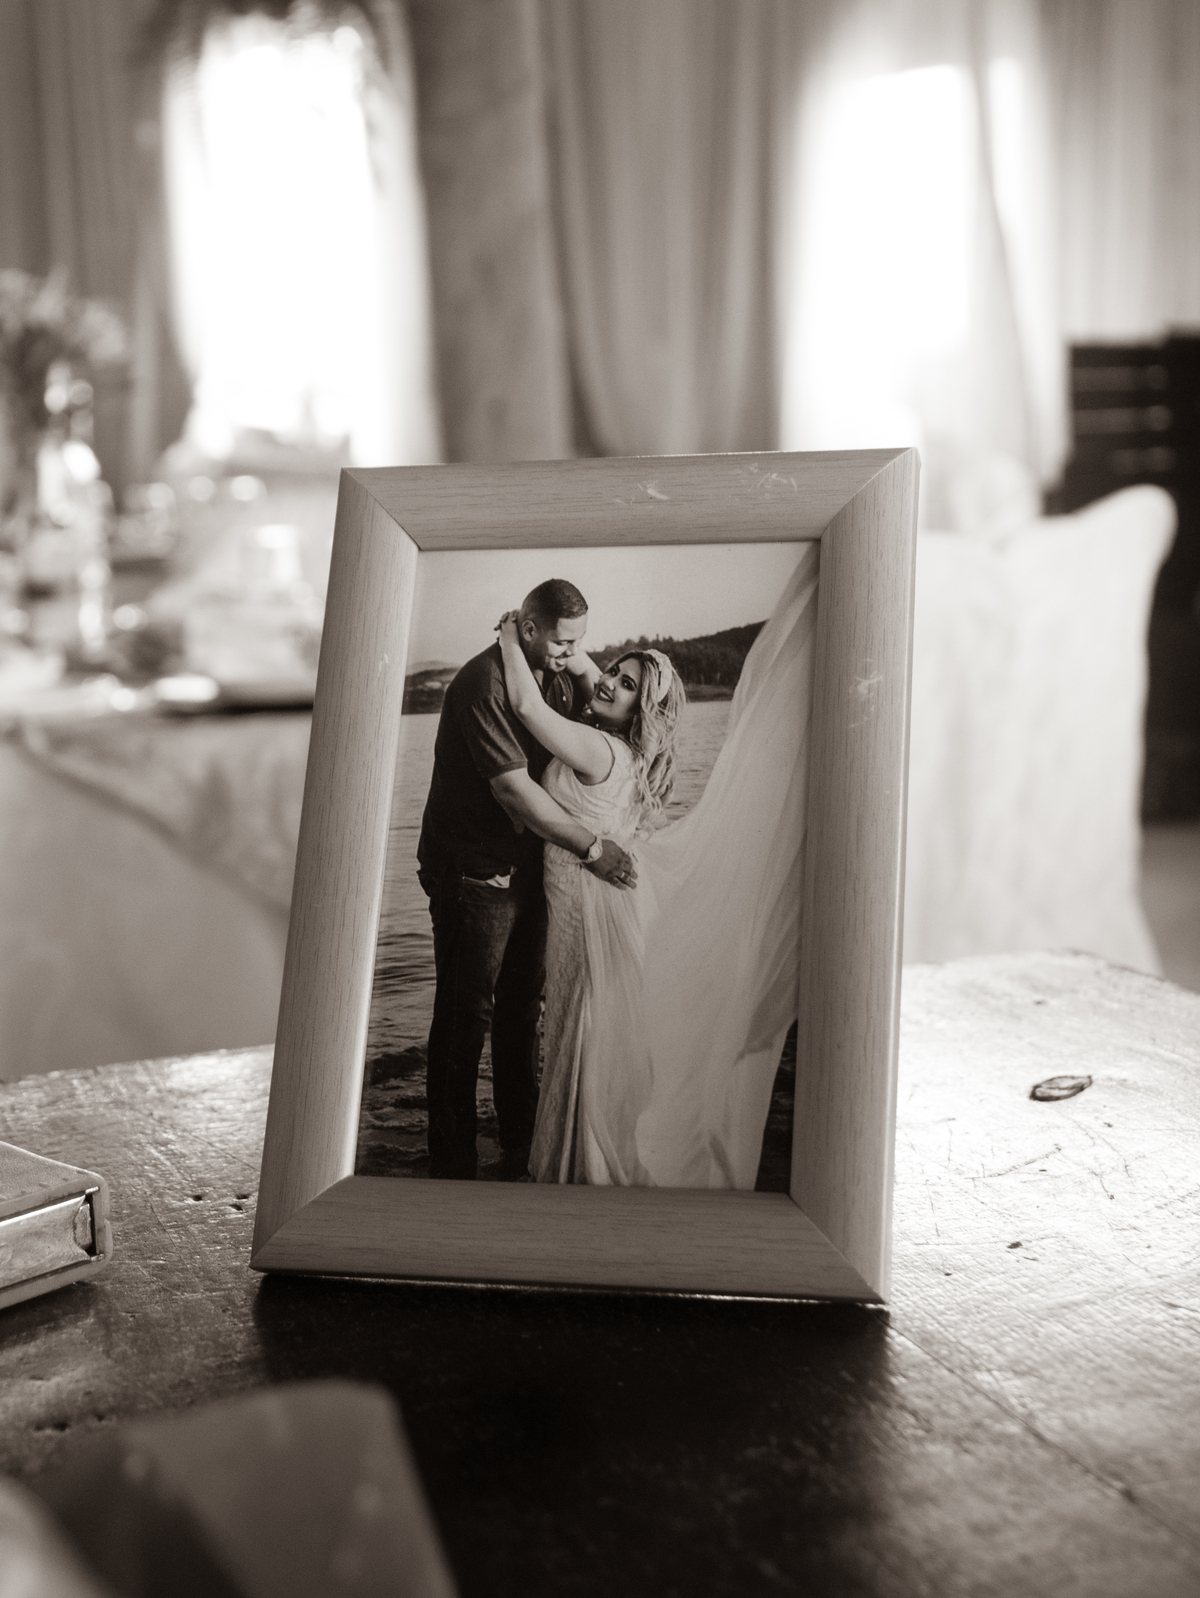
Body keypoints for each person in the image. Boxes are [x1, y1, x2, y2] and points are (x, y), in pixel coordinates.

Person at [496, 543, 820, 1188]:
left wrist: (510, 635)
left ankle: (584, 1167)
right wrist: (576, 653)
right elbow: (599, 681)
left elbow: (529, 708)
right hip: (600, 901)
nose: (606, 682)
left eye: (626, 686)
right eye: (614, 671)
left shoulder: (598, 751)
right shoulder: (632, 755)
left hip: (586, 906)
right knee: (591, 1026)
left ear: (639, 709)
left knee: (581, 1027)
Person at [416, 578, 636, 1181]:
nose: (573, 653)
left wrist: (531, 640)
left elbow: (604, 689)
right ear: (531, 629)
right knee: (465, 1020)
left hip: (533, 868)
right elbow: (515, 791)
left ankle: (522, 1144)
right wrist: (593, 848)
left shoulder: (556, 675)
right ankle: (453, 1163)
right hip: (475, 874)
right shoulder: (482, 685)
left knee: (520, 1012)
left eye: (579, 641)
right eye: (563, 642)